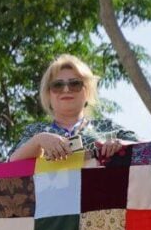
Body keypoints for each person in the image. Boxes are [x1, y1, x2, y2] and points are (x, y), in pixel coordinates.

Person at [9, 54, 138, 162]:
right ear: (48, 94)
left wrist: (121, 144)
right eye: (58, 85)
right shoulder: (34, 132)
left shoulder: (108, 128)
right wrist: (38, 141)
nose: (66, 89)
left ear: (87, 91)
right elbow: (9, 165)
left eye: (75, 84)